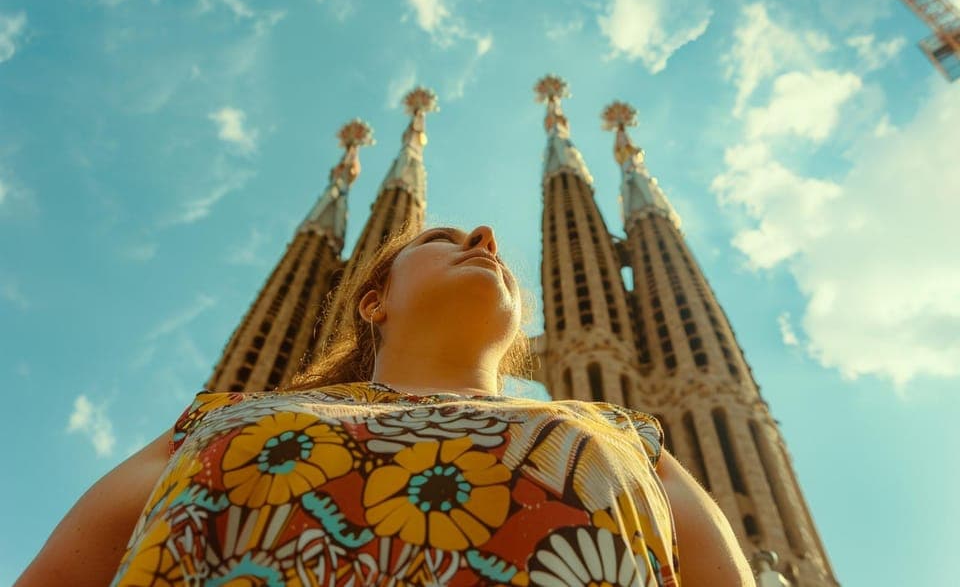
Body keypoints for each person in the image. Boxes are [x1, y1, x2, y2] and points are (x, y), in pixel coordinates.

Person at [16, 225, 754, 586]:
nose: (485, 238)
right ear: (373, 301)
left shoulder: (623, 433)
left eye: (489, 247)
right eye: (440, 238)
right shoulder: (215, 416)